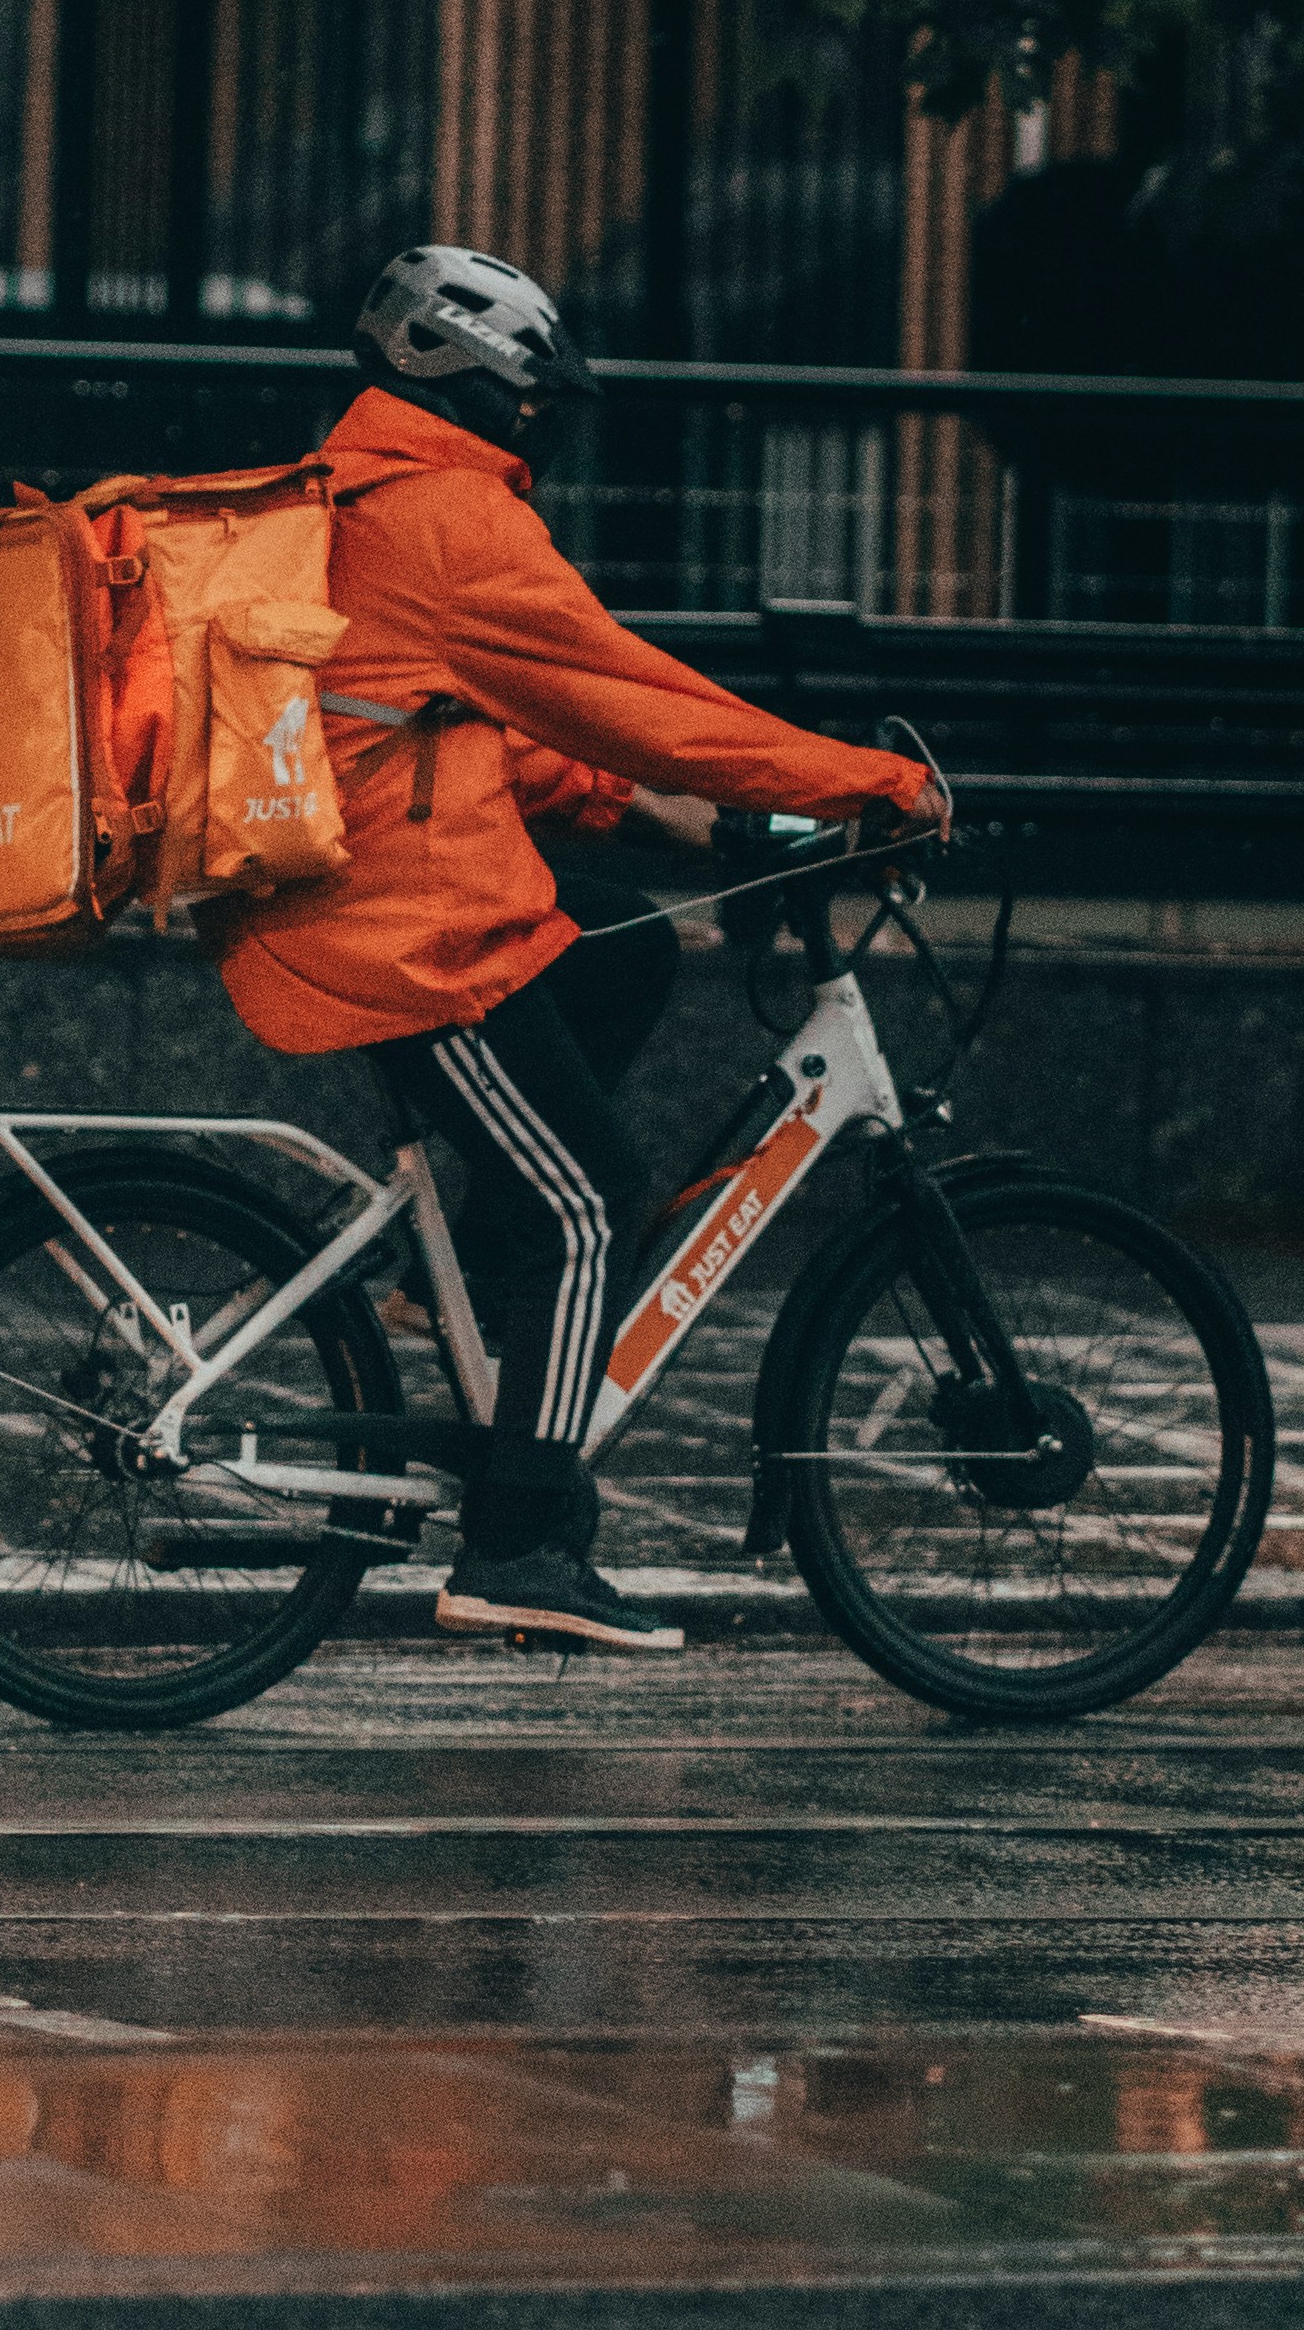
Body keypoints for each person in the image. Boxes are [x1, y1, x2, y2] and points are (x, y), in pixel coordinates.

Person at [213, 242, 941, 1650]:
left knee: (620, 946)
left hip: (382, 882)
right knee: (593, 1198)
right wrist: (862, 782)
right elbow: (631, 695)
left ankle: (472, 1278)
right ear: (470, 379)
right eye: (530, 394)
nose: (538, 420)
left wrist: (677, 826)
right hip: (398, 928)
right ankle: (518, 1542)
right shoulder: (447, 520)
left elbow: (463, 733)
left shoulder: (368, 491)